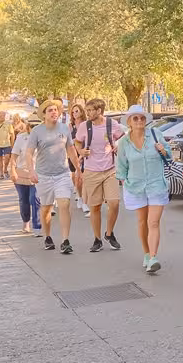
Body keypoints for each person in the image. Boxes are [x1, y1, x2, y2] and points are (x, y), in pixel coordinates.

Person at [115, 105, 171, 274]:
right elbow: (122, 165)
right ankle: (146, 254)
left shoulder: (156, 135)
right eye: (135, 118)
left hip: (156, 185)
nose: (139, 121)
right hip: (136, 185)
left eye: (142, 118)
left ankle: (153, 257)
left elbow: (168, 156)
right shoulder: (124, 142)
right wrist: (124, 182)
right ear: (129, 122)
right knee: (142, 222)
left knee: (153, 222)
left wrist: (163, 150)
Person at [26, 99, 76, 253]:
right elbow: (29, 153)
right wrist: (32, 171)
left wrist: (79, 170)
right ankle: (47, 236)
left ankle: (65, 240)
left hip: (62, 173)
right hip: (44, 175)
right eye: (50, 110)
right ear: (44, 115)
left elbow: (71, 150)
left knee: (64, 204)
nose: (54, 112)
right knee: (46, 208)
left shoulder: (64, 128)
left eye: (56, 109)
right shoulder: (37, 131)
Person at [74, 98, 124, 253]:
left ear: (99, 110)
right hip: (91, 170)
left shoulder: (111, 124)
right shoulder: (85, 126)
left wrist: (117, 146)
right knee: (95, 206)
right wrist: (81, 151)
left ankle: (109, 233)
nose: (87, 113)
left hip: (110, 169)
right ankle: (97, 239)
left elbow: (123, 138)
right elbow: (77, 142)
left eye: (90, 110)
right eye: (87, 110)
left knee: (114, 203)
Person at [10, 117, 42, 236]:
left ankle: (37, 226)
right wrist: (13, 171)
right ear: (28, 127)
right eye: (32, 126)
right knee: (24, 200)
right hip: (22, 173)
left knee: (34, 199)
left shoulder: (44, 138)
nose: (34, 129)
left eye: (36, 126)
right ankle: (26, 222)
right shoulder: (21, 138)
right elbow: (14, 156)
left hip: (38, 173)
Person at [67, 102, 89, 213]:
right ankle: (80, 197)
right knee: (77, 176)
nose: (75, 113)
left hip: (85, 153)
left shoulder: (86, 124)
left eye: (77, 111)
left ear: (81, 112)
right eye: (73, 112)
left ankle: (85, 202)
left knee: (83, 178)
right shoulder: (71, 125)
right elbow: (68, 140)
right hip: (73, 153)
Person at [0, 111, 16, 178]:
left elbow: (12, 134)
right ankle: (1, 173)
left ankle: (5, 169)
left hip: (7, 144)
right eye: (1, 116)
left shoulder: (8, 124)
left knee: (7, 157)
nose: (2, 117)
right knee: (0, 159)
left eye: (4, 116)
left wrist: (12, 144)